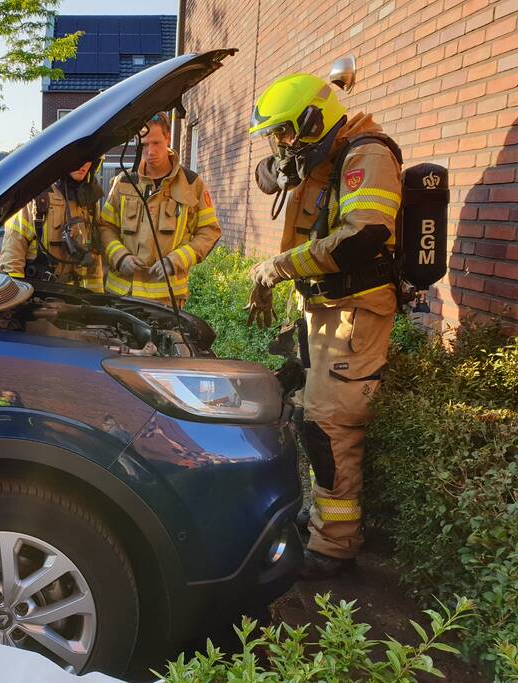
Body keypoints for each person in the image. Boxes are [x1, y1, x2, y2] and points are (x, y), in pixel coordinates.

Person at [245, 72, 403, 579]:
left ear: (314, 123)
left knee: (331, 430)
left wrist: (281, 267)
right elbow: (275, 178)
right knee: (309, 421)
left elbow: (362, 237)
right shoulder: (326, 159)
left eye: (285, 132)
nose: (281, 144)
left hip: (355, 319)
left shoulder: (367, 157)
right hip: (326, 315)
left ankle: (335, 546)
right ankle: (321, 521)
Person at [98, 112, 221, 307]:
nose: (150, 152)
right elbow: (105, 226)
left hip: (167, 301)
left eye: (156, 143)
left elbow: (209, 231)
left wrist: (177, 260)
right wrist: (120, 256)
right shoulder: (124, 182)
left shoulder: (191, 184)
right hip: (122, 295)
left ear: (168, 138)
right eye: (145, 144)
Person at [0, 160, 104, 292]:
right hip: (38, 293)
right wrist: (16, 296)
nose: (84, 165)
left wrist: (96, 298)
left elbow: (94, 260)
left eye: (89, 160)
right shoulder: (36, 194)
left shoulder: (90, 202)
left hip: (73, 296)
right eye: (80, 159)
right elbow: (13, 252)